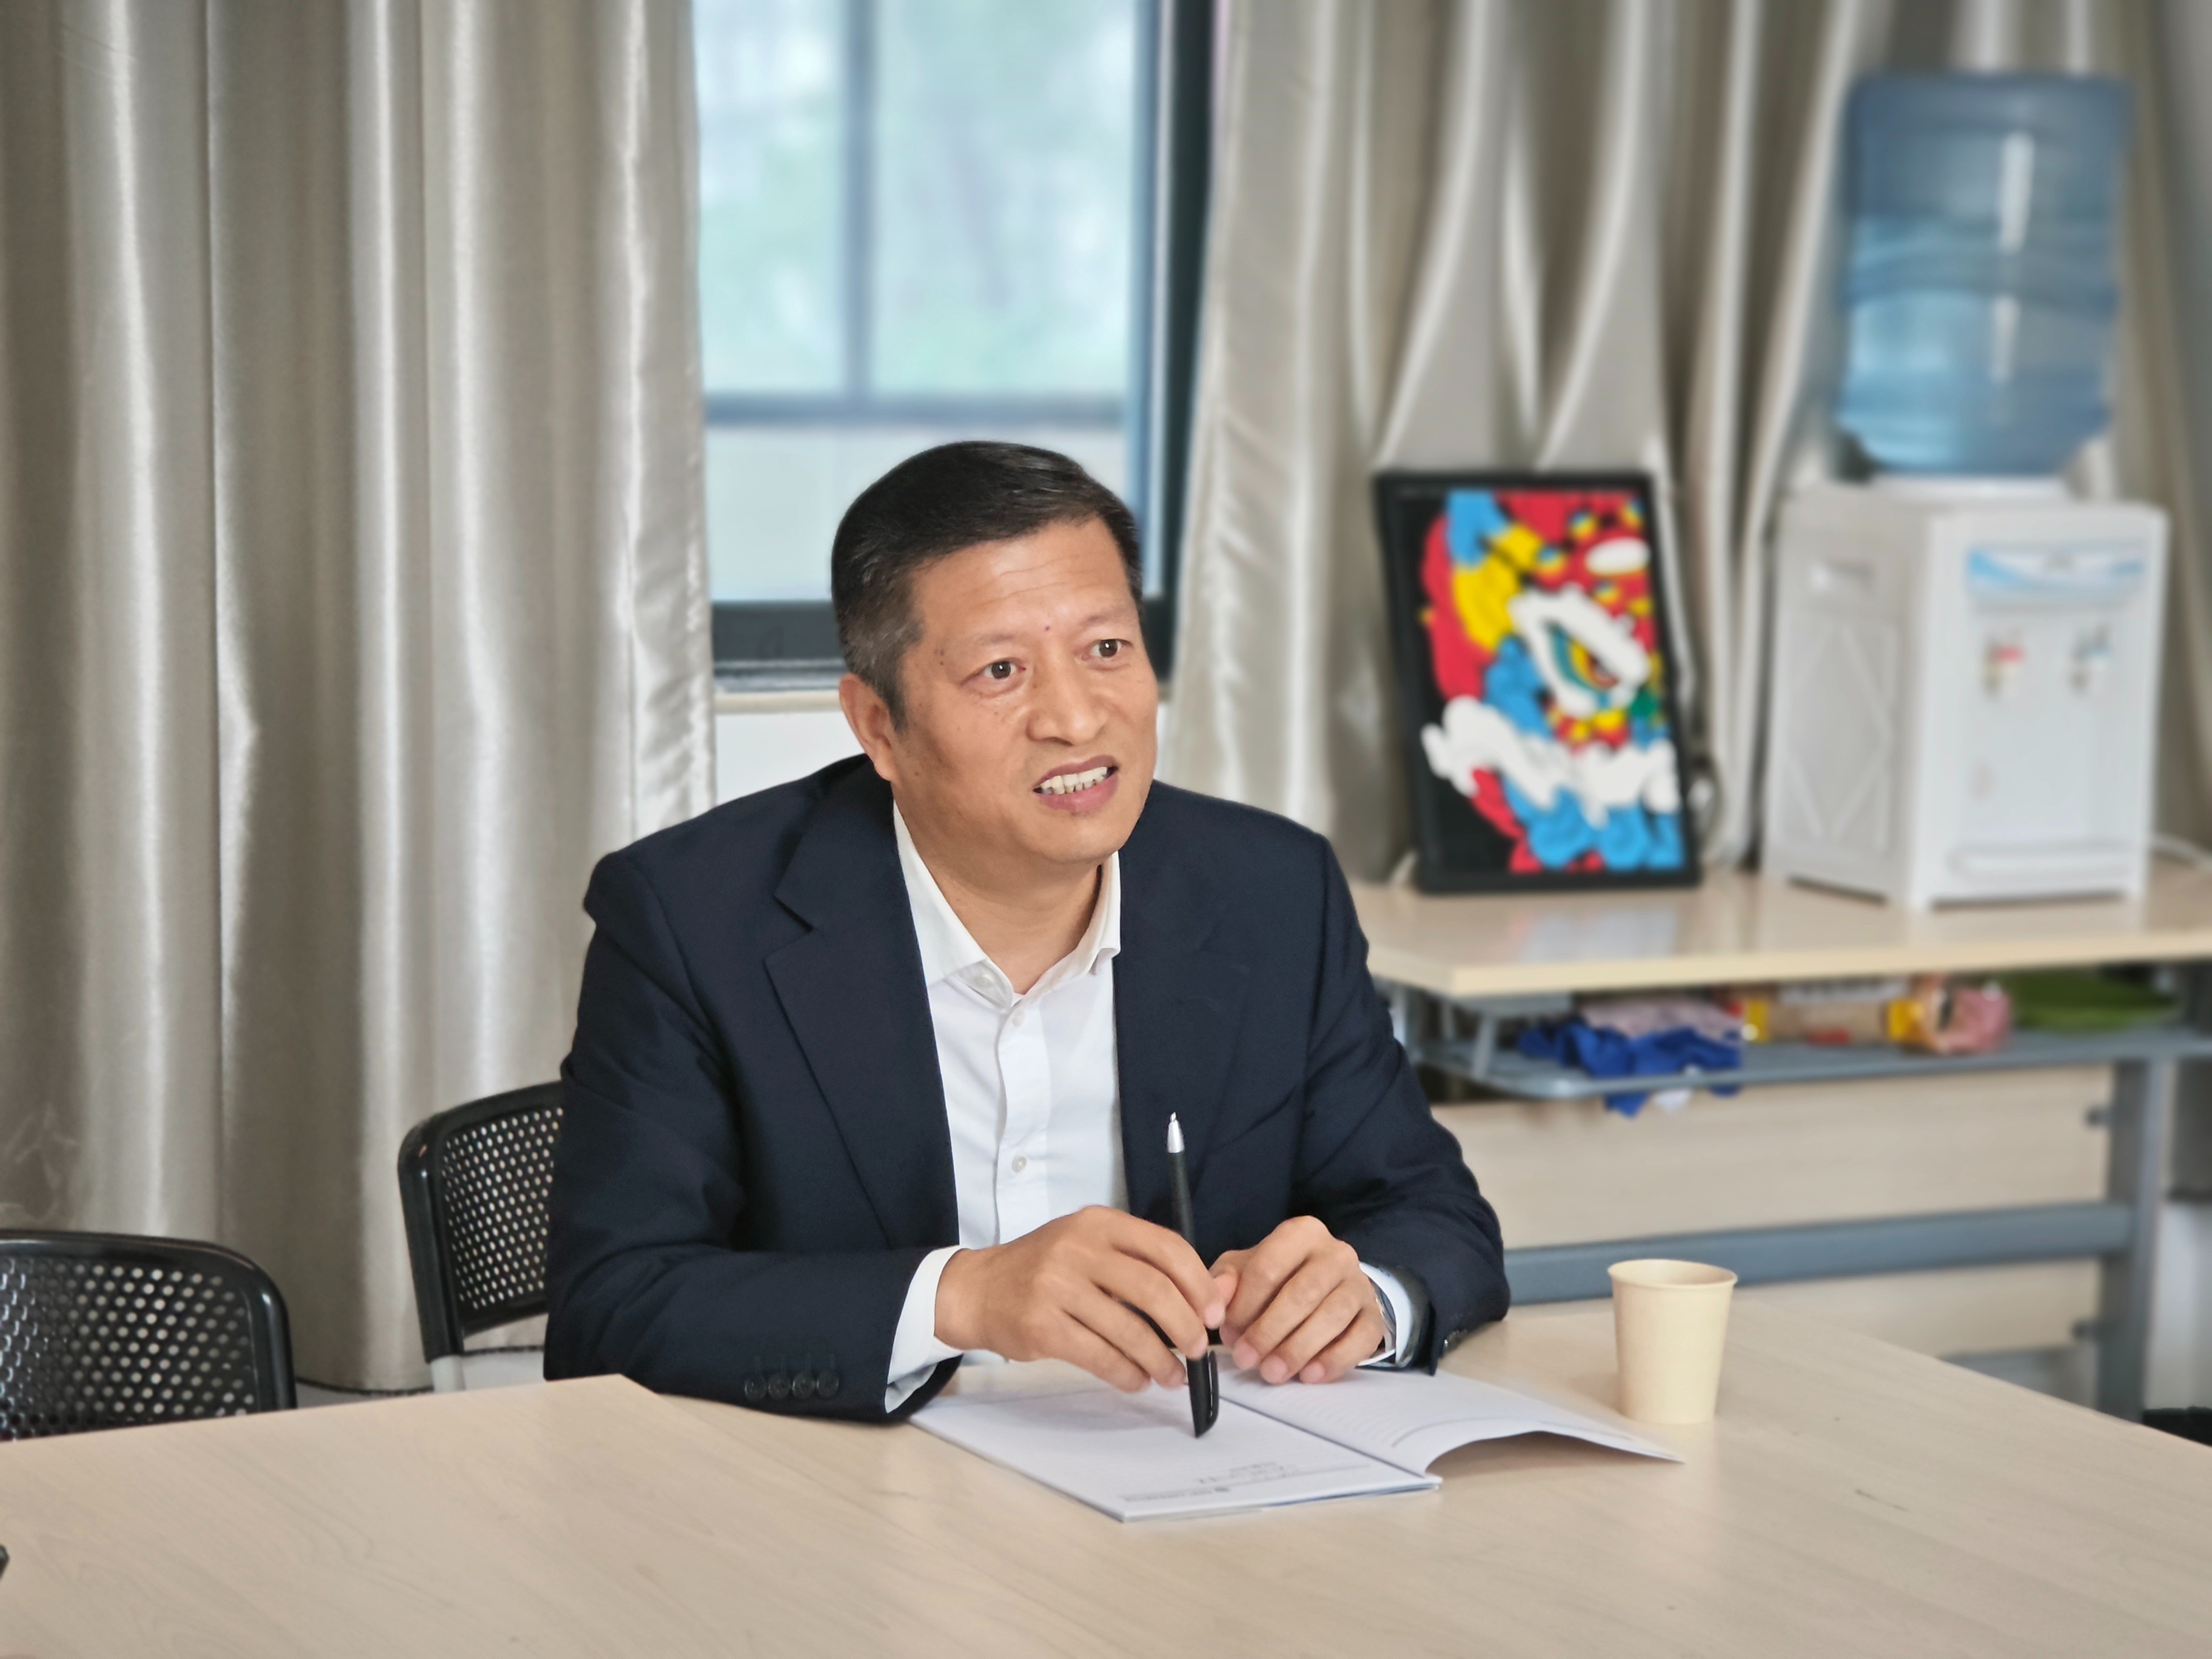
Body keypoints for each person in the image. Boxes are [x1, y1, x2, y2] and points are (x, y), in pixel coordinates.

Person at [544, 441, 1509, 1421]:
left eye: (1107, 649)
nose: (1077, 718)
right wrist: (964, 1297)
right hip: (842, 1489)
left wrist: (1367, 1298)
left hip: (1191, 1473)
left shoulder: (1273, 891)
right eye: (1001, 670)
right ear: (878, 726)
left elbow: (1433, 1217)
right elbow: (610, 1307)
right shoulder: (692, 919)